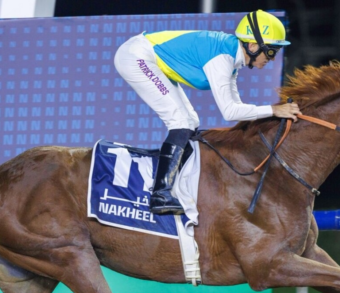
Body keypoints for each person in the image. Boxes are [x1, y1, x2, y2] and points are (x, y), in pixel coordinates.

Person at [114, 10, 301, 215]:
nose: (272, 59)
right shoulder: (222, 58)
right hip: (136, 57)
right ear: (253, 46)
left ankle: (179, 185)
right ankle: (160, 194)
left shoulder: (232, 60)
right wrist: (275, 110)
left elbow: (237, 108)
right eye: (271, 51)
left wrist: (273, 112)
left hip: (144, 55)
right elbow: (230, 112)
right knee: (180, 121)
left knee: (190, 121)